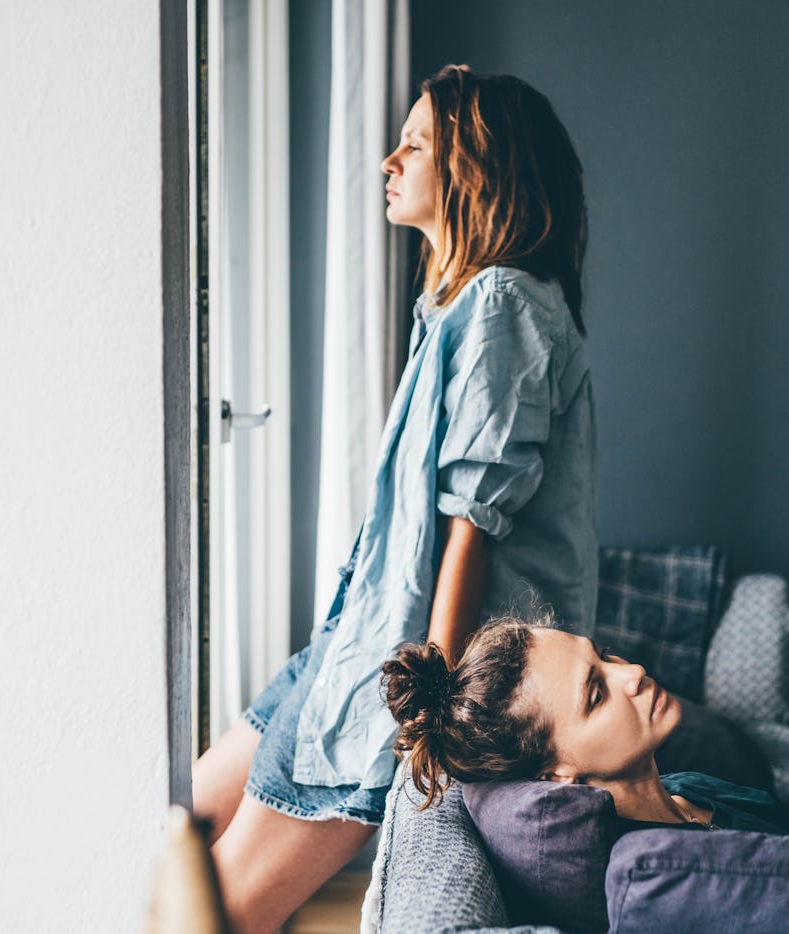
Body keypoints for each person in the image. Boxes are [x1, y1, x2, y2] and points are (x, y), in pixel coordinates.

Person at [192, 64, 598, 933]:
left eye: (414, 143)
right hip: (354, 643)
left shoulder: (504, 306)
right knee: (175, 827)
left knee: (222, 908)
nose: (388, 160)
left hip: (408, 667)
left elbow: (470, 530)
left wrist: (428, 715)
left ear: (474, 171)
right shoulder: (455, 305)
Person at [381, 620, 789, 835]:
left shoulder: (691, 787)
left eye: (605, 656)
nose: (633, 673)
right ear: (556, 775)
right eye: (597, 695)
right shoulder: (662, 865)